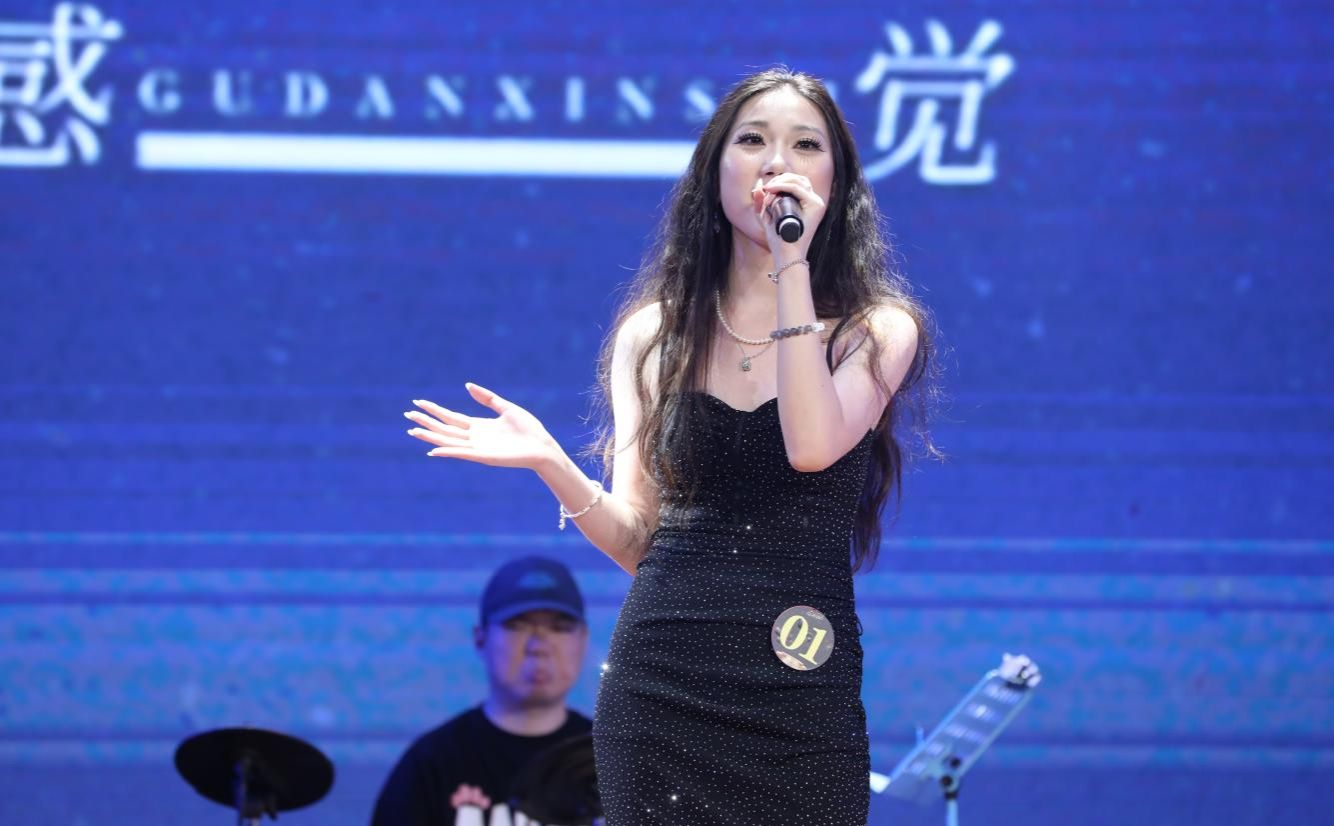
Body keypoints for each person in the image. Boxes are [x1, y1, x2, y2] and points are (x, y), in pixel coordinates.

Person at [404, 67, 934, 825]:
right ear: (714, 171)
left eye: (804, 145)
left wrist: (789, 265)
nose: (776, 163)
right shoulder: (653, 336)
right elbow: (640, 542)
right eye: (752, 141)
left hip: (800, 689)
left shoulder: (875, 331)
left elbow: (811, 444)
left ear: (836, 181)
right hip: (661, 690)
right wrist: (554, 464)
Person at [370, 555, 593, 826]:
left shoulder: (614, 758)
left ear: (583, 639)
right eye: (517, 626)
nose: (539, 646)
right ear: (480, 638)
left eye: (560, 628)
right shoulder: (432, 764)